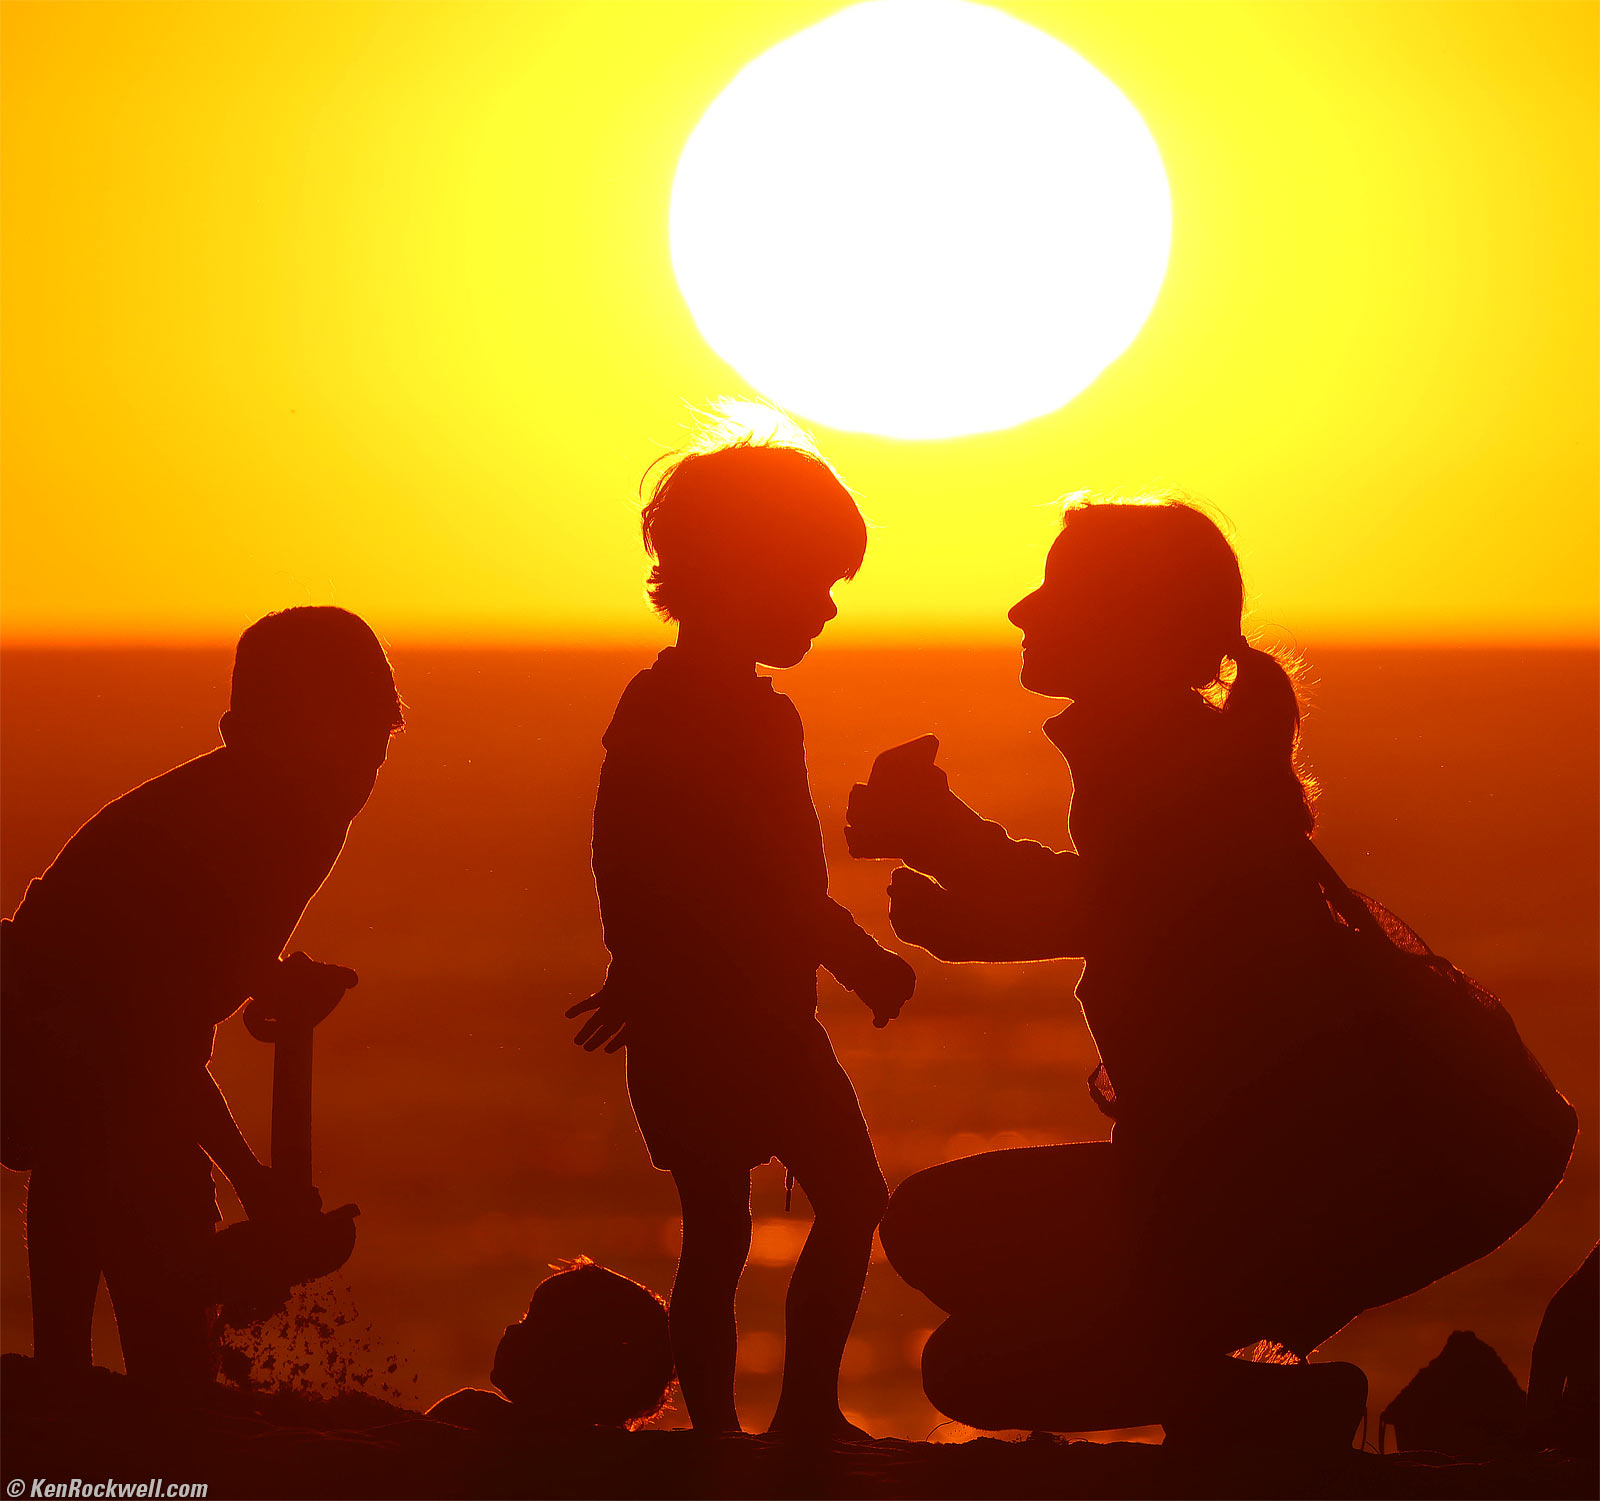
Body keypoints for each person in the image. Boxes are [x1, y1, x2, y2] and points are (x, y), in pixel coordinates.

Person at [848, 497, 1576, 1445]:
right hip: (1271, 1169)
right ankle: (1254, 1398)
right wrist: (953, 871)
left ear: (1124, 624)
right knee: (951, 1297)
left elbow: (1115, 902)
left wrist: (945, 845)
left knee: (954, 1315)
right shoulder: (1162, 748)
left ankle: (1241, 1393)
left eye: (1056, 592)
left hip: (1309, 1176)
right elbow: (1123, 904)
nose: (1023, 610)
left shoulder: (1167, 757)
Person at [568, 410, 915, 1438]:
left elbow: (760, 877)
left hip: (761, 1017)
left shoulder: (753, 711)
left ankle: (788, 1412)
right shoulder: (675, 709)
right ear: (736, 573)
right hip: (715, 1023)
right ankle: (740, 1426)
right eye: (810, 581)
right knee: (746, 1221)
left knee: (786, 1212)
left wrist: (841, 959)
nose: (825, 608)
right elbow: (642, 854)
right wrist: (860, 960)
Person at [2, 606, 402, 1388]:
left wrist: (261, 973)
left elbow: (186, 966)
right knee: (117, 1143)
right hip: (41, 1041)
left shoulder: (301, 811)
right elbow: (144, 1030)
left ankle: (98, 1377)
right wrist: (253, 1181)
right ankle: (79, 1380)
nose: (354, 778)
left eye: (373, 747)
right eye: (325, 749)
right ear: (239, 735)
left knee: (135, 1172)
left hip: (93, 1051)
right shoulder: (241, 824)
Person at [426, 1257, 674, 1432]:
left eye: (533, 1322)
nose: (510, 1329)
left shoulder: (470, 1415)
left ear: (574, 1363)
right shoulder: (608, 1456)